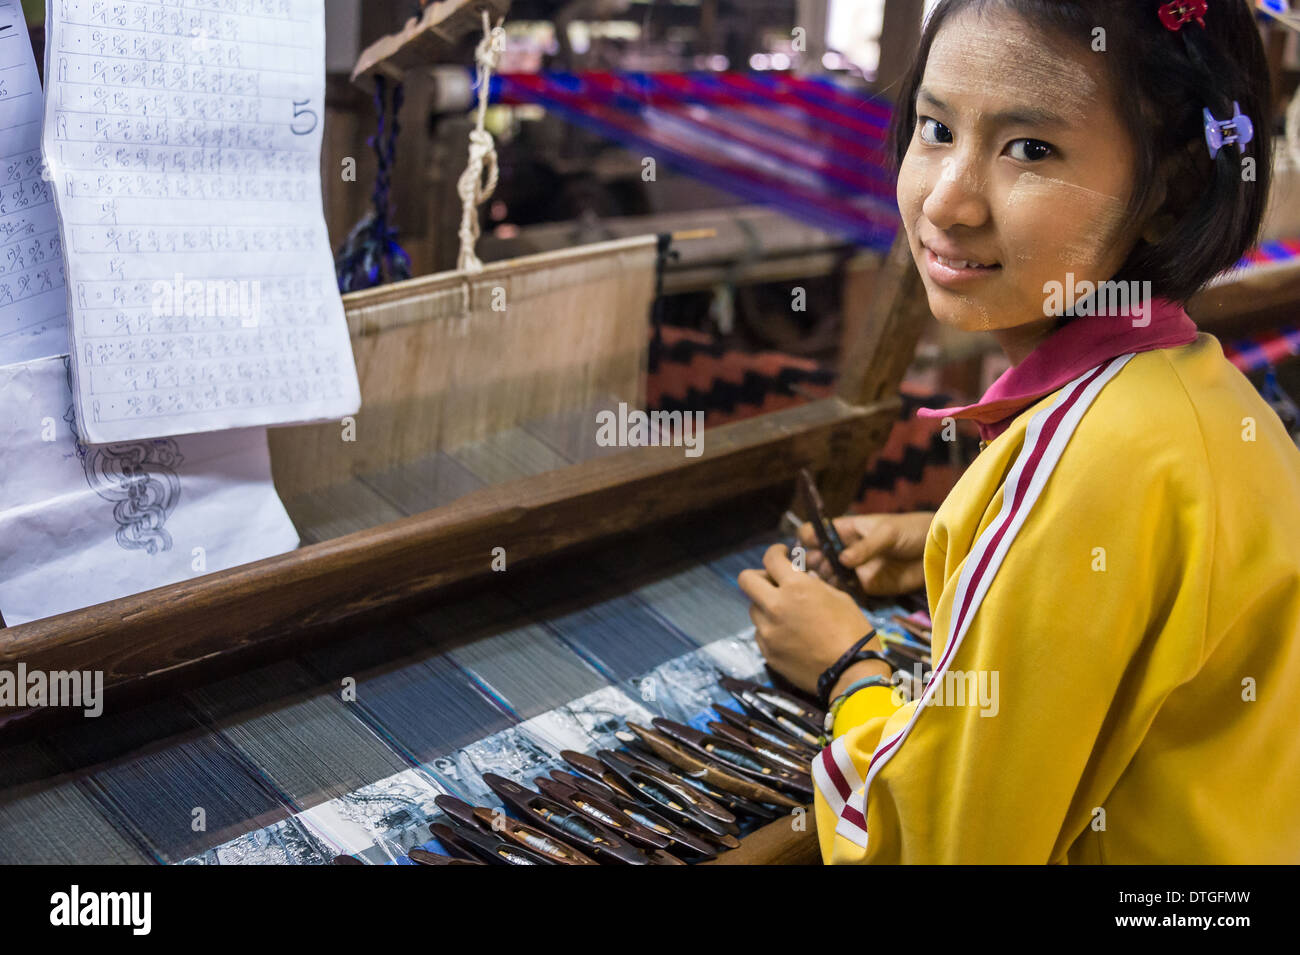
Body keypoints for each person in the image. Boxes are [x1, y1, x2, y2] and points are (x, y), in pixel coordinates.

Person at [738, 0, 1300, 863]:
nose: (950, 200)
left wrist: (847, 668)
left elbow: (935, 846)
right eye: (934, 128)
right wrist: (947, 542)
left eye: (1029, 149)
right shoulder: (1208, 402)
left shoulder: (1091, 459)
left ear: (1172, 189)